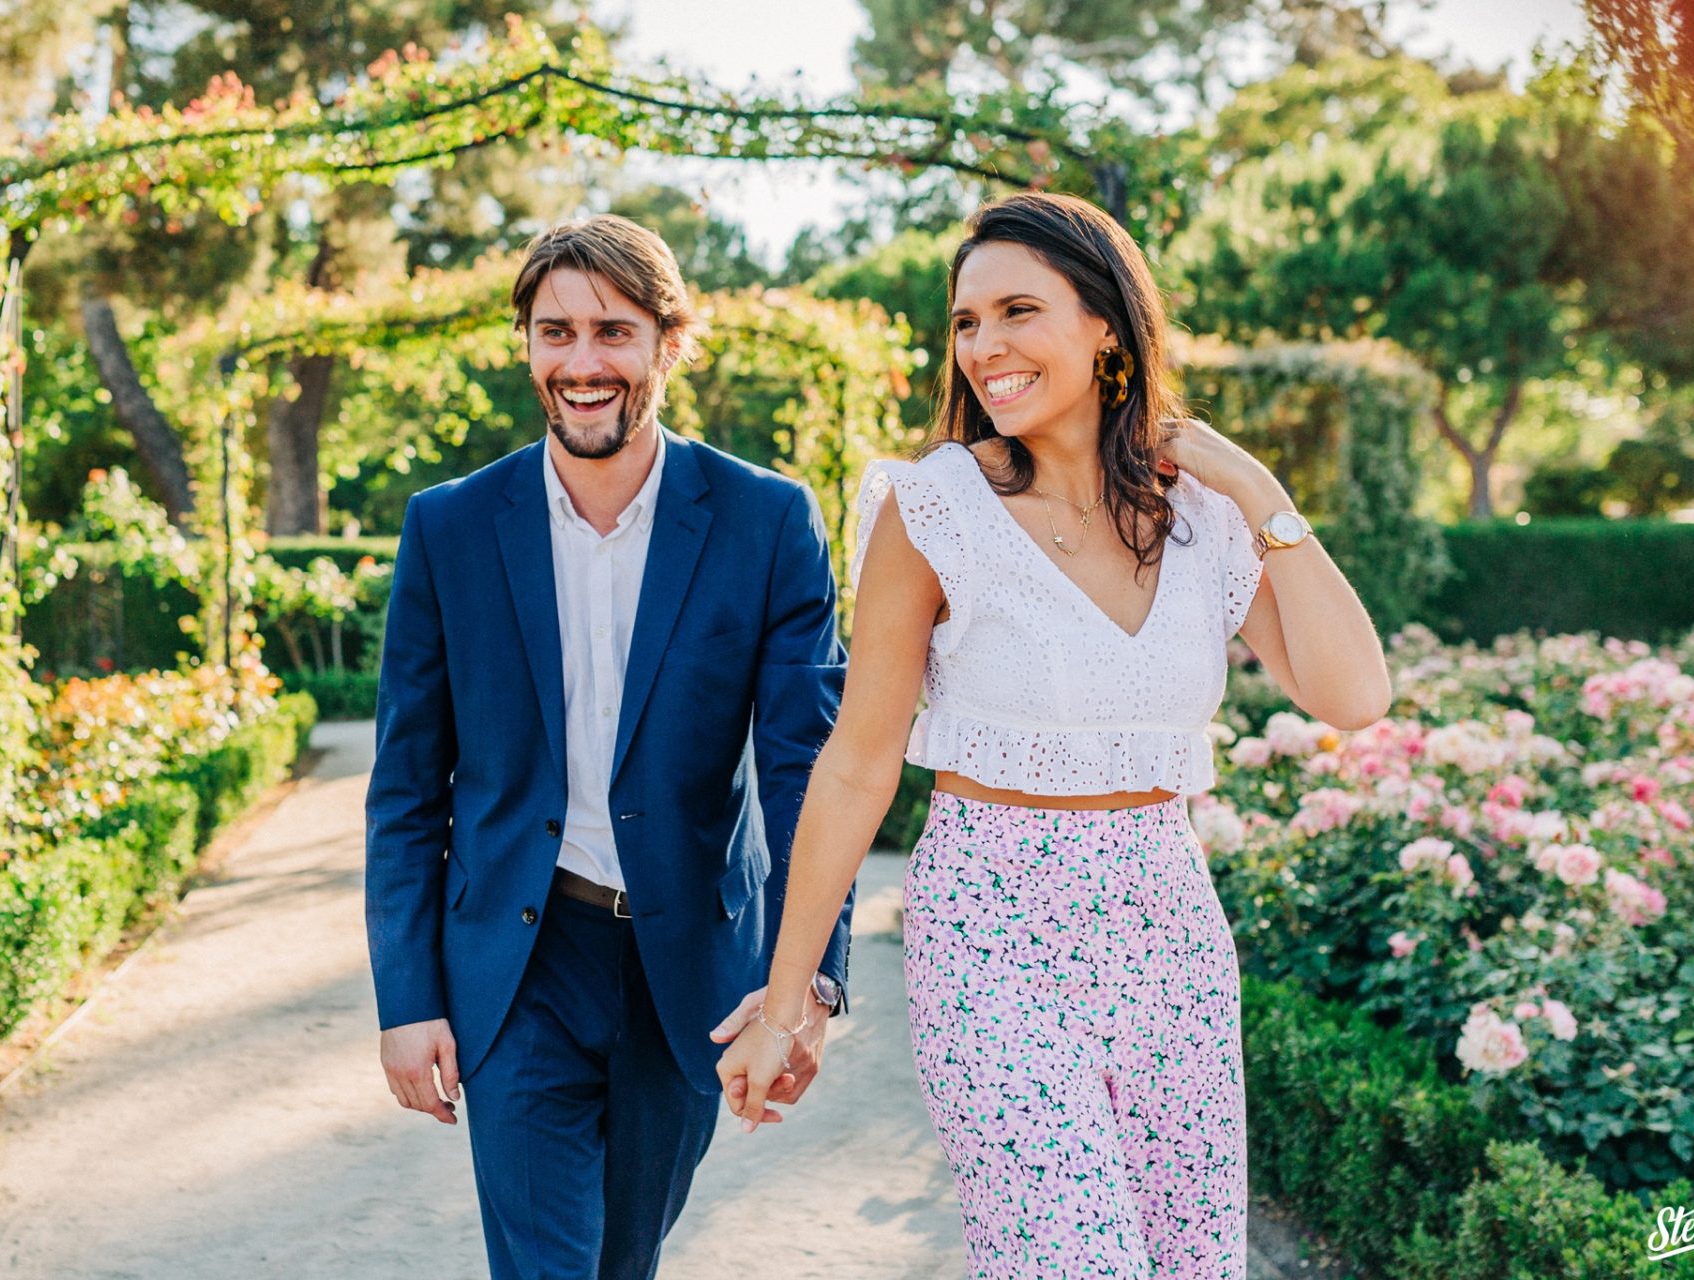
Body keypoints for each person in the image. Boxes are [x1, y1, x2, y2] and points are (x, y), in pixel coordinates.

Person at [717, 191, 1392, 1279]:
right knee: (1073, 1260)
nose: (985, 346)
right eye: (966, 321)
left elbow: (1354, 692)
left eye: (1018, 310)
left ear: (1105, 326)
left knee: (1190, 1265)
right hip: (992, 930)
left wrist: (1254, 484)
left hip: (1170, 927)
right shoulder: (933, 509)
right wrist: (785, 999)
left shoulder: (1206, 517)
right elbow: (855, 763)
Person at [364, 213, 855, 1280]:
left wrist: (806, 982)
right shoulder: (449, 526)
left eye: (614, 332)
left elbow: (809, 768)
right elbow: (406, 783)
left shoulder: (766, 520)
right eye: (555, 333)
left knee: (621, 1258)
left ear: (671, 343)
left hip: (688, 971)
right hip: (516, 961)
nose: (582, 363)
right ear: (527, 346)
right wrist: (406, 997)